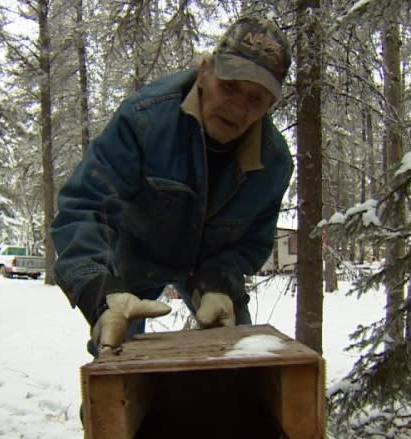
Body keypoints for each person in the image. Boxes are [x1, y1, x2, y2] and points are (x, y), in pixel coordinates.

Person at [49, 15, 293, 355]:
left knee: (241, 357)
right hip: (133, 255)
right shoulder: (143, 120)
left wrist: (219, 283)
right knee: (115, 357)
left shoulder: (274, 163)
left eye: (256, 99)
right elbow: (84, 208)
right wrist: (99, 291)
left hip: (208, 265)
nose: (237, 107)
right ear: (206, 71)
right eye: (230, 85)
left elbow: (252, 244)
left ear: (271, 106)